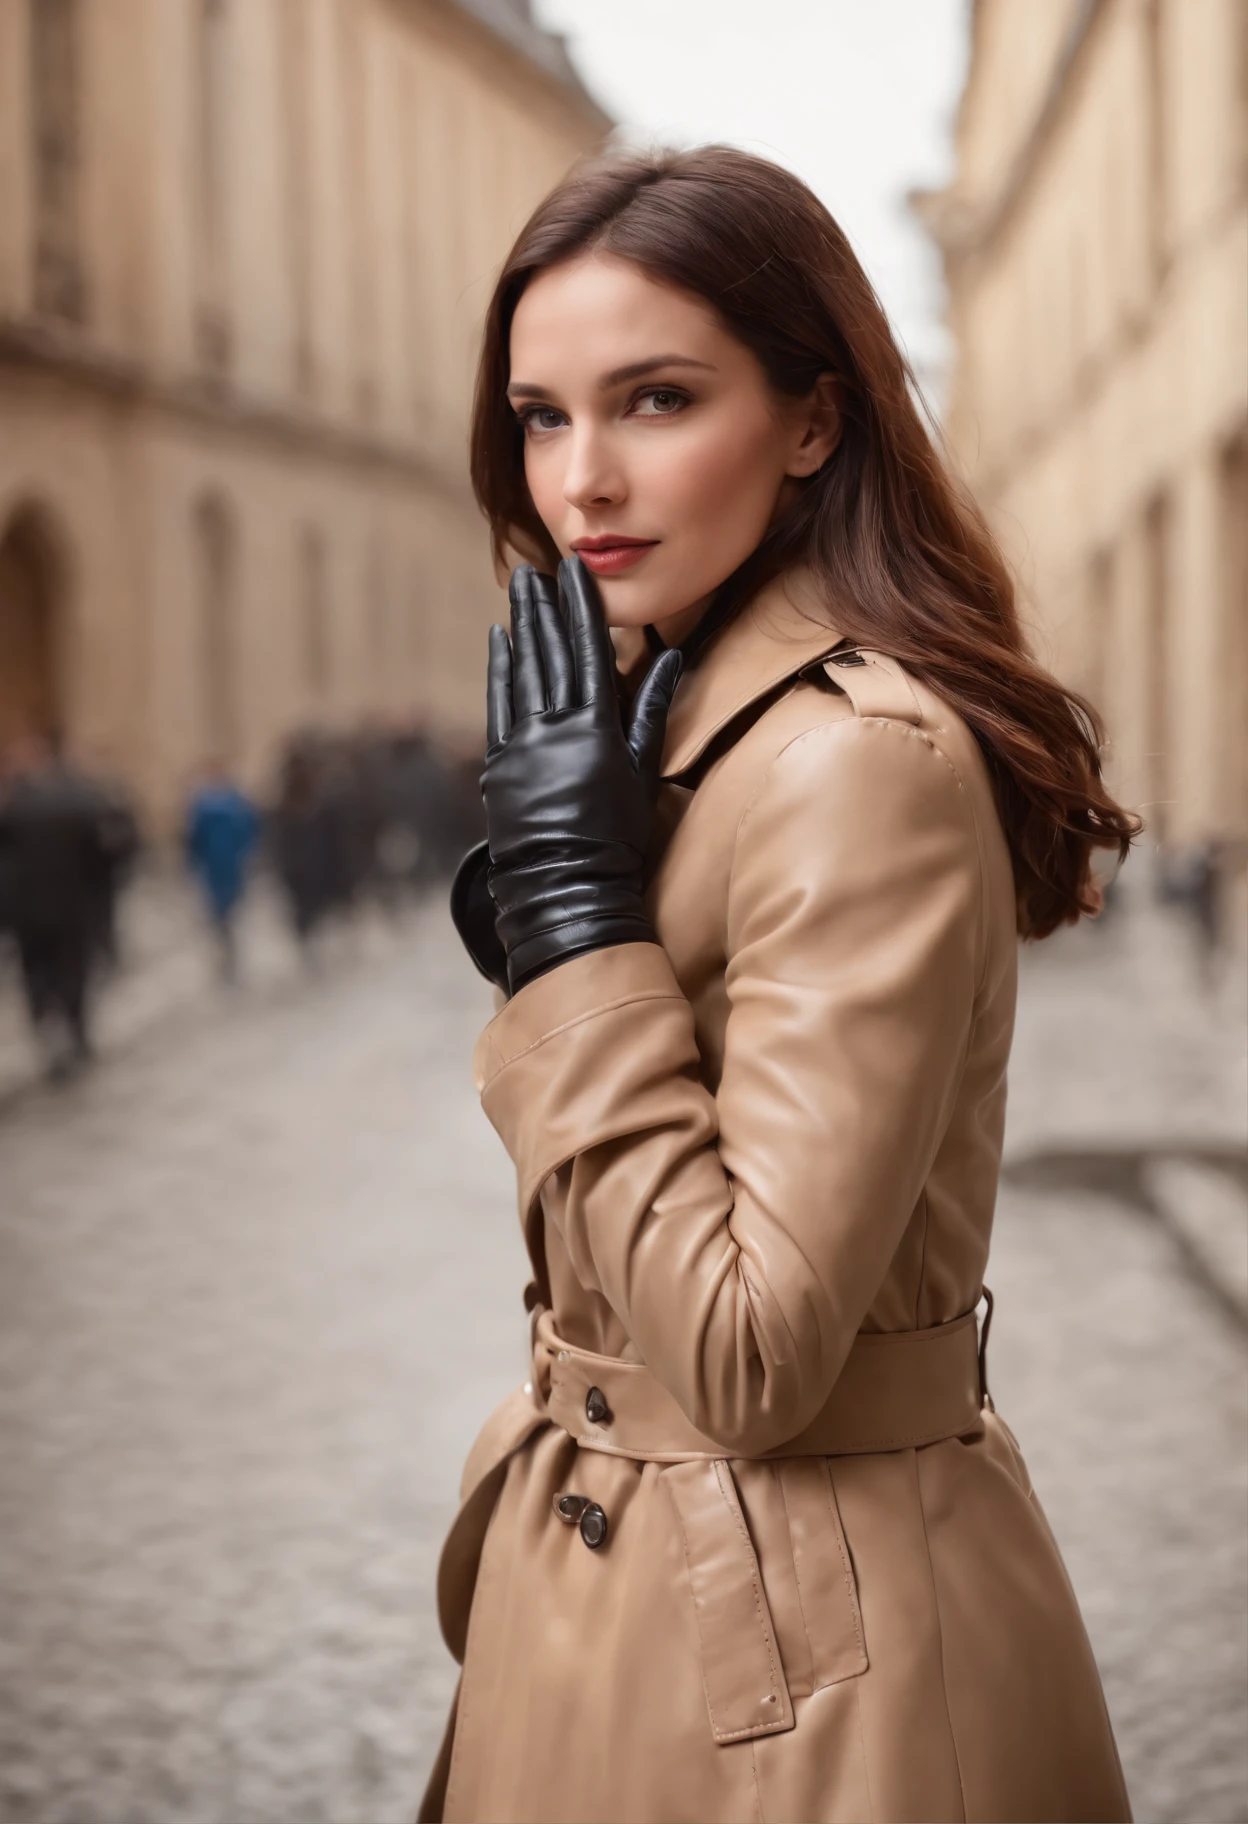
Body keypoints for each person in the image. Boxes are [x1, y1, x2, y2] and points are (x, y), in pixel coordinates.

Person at [427, 148, 1138, 1824]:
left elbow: (752, 1355)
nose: (581, 478)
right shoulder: (675, 716)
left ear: (812, 420)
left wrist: (579, 919)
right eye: (539, 415)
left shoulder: (853, 762)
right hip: (637, 1590)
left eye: (654, 399)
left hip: (797, 1664)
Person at [0, 735, 116, 1079]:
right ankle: (74, 1030)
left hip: (29, 911)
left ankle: (48, 1029)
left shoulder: (12, 806)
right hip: (69, 905)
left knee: (38, 974)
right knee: (71, 972)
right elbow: (100, 857)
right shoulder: (77, 800)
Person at [183, 763, 259, 981]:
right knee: (231, 907)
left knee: (219, 911)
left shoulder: (201, 808)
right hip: (231, 864)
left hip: (214, 866)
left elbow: (192, 841)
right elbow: (250, 833)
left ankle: (225, 944)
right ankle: (229, 945)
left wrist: (192, 863)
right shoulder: (237, 804)